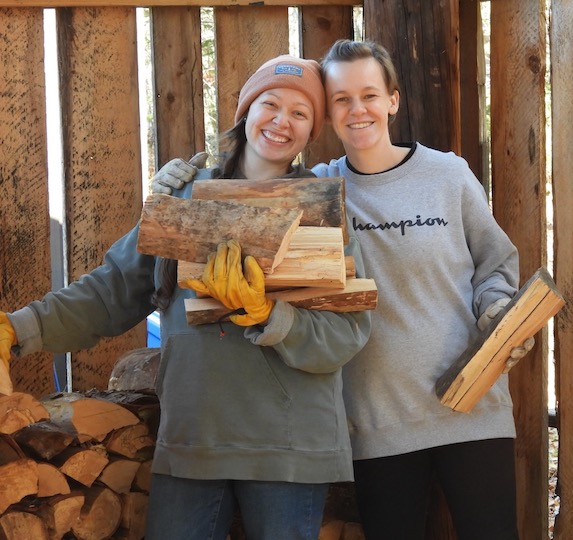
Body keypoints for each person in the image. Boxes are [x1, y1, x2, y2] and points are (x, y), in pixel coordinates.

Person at [152, 41, 534, 540]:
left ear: (392, 100)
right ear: (326, 116)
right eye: (341, 100)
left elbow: (495, 263)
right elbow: (239, 193)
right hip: (376, 422)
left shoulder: (447, 174)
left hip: (472, 406)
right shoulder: (315, 192)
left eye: (370, 95)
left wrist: (497, 309)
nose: (358, 110)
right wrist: (169, 188)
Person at [0, 54, 371, 540]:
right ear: (245, 111)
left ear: (312, 131)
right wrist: (19, 327)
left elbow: (347, 333)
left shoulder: (322, 211)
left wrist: (269, 314)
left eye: (301, 114)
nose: (282, 121)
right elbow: (113, 290)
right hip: (194, 439)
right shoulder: (183, 196)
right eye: (271, 104)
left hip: (290, 447)